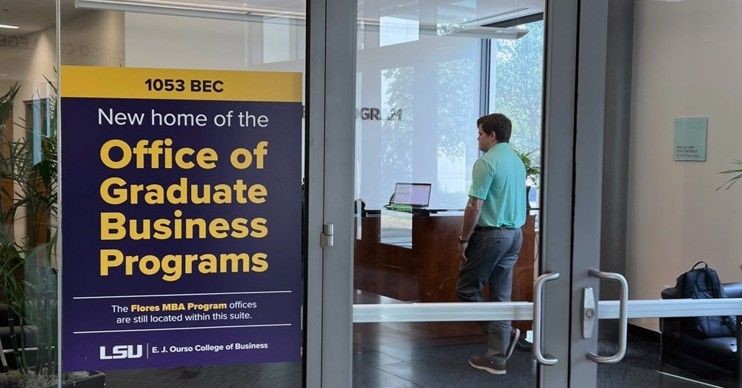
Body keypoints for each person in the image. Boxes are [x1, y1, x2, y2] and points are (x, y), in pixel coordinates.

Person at [456, 113, 527, 375]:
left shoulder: (487, 163)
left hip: (492, 235)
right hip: (515, 235)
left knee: (466, 289)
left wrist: (464, 239)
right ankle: (497, 358)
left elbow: (475, 206)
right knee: (501, 296)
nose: (478, 137)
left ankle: (503, 338)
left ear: (492, 135)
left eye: (480, 133)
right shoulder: (517, 162)